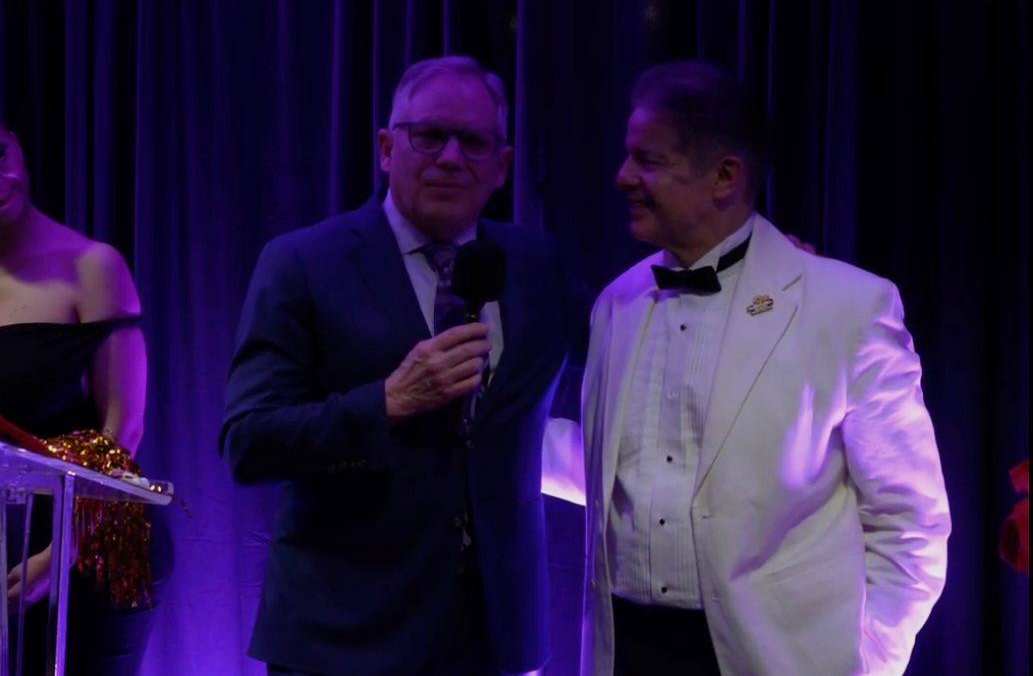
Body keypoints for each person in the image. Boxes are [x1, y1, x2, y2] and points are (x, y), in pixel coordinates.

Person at [578, 61, 951, 676]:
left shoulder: (847, 308)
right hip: (625, 652)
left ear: (725, 176)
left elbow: (909, 520)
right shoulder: (616, 304)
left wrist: (868, 663)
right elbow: (617, 476)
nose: (622, 178)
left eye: (647, 161)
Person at [221, 56, 574, 676]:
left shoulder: (537, 263)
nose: (450, 158)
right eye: (429, 136)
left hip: (493, 637)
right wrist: (387, 402)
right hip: (343, 637)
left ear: (502, 166)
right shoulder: (303, 263)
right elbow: (248, 443)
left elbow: (617, 354)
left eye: (473, 142)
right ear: (387, 149)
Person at [0, 119, 171, 675]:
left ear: (19, 152)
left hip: (92, 546)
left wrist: (61, 550)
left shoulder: (92, 266)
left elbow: (123, 431)